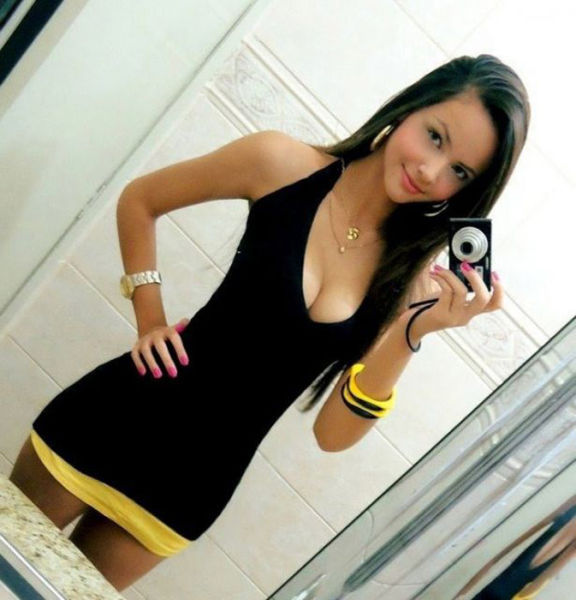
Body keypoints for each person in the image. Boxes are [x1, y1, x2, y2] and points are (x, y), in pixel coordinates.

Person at [8, 53, 530, 592]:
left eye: (459, 172)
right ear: (409, 109)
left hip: (189, 489)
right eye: (435, 137)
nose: (430, 171)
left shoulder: (407, 281)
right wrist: (150, 320)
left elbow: (332, 436)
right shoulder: (281, 162)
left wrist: (411, 333)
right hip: (111, 419)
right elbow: (142, 200)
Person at [455, 495, 576, 599]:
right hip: (491, 580)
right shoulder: (569, 505)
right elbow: (499, 555)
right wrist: (461, 594)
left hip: (511, 590)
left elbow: (533, 588)